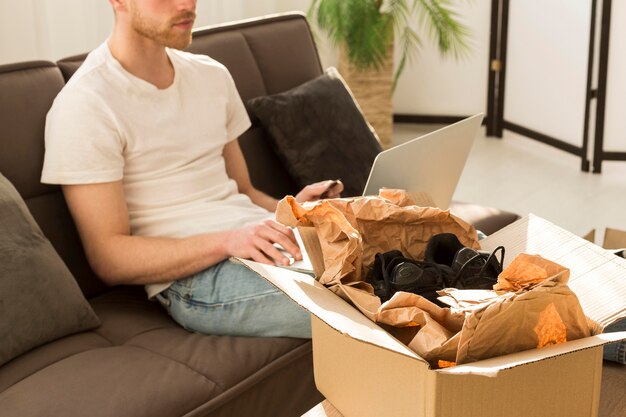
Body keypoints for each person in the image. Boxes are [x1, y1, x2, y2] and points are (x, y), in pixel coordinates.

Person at [40, 0, 342, 339]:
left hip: (262, 243)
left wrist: (293, 213)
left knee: (395, 260)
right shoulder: (85, 103)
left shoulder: (211, 74)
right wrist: (228, 242)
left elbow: (243, 191)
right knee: (364, 301)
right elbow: (108, 257)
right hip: (198, 278)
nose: (186, 5)